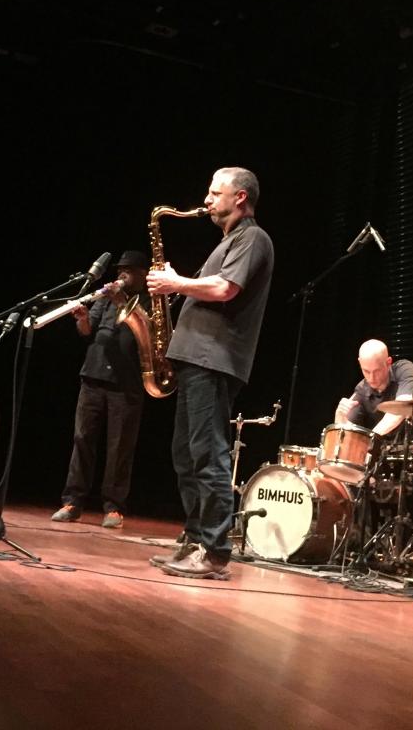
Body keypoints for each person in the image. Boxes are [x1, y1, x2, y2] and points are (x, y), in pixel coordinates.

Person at [146, 167, 274, 579]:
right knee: (186, 455)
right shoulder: (229, 241)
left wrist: (175, 282)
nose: (206, 200)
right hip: (197, 360)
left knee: (209, 454)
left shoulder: (253, 237)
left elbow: (224, 290)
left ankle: (216, 551)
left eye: (214, 193)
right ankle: (195, 536)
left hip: (214, 360)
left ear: (239, 198)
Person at [50, 250, 151, 530]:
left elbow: (150, 336)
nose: (121, 274)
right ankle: (72, 502)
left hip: (126, 384)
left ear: (143, 274)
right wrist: (82, 318)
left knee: (119, 448)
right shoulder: (105, 299)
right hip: (92, 377)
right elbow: (87, 331)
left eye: (128, 270)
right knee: (83, 440)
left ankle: (114, 508)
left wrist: (122, 303)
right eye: (120, 269)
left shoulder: (152, 301)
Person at [334, 339, 413, 478]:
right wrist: (340, 416)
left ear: (388, 362)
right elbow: (347, 435)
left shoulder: (405, 369)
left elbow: (400, 410)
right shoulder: (361, 389)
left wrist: (371, 438)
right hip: (384, 453)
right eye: (366, 371)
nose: (371, 377)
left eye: (377, 371)